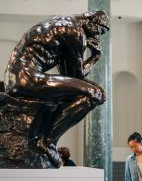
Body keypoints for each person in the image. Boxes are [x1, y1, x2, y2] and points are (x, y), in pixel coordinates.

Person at [4, 10, 109, 162]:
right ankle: (46, 141)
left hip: (16, 77)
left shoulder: (63, 22)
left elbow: (68, 76)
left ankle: (43, 138)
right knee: (93, 94)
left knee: (88, 91)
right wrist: (94, 57)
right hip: (27, 77)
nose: (97, 35)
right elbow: (76, 76)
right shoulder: (76, 31)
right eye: (100, 29)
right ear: (91, 20)